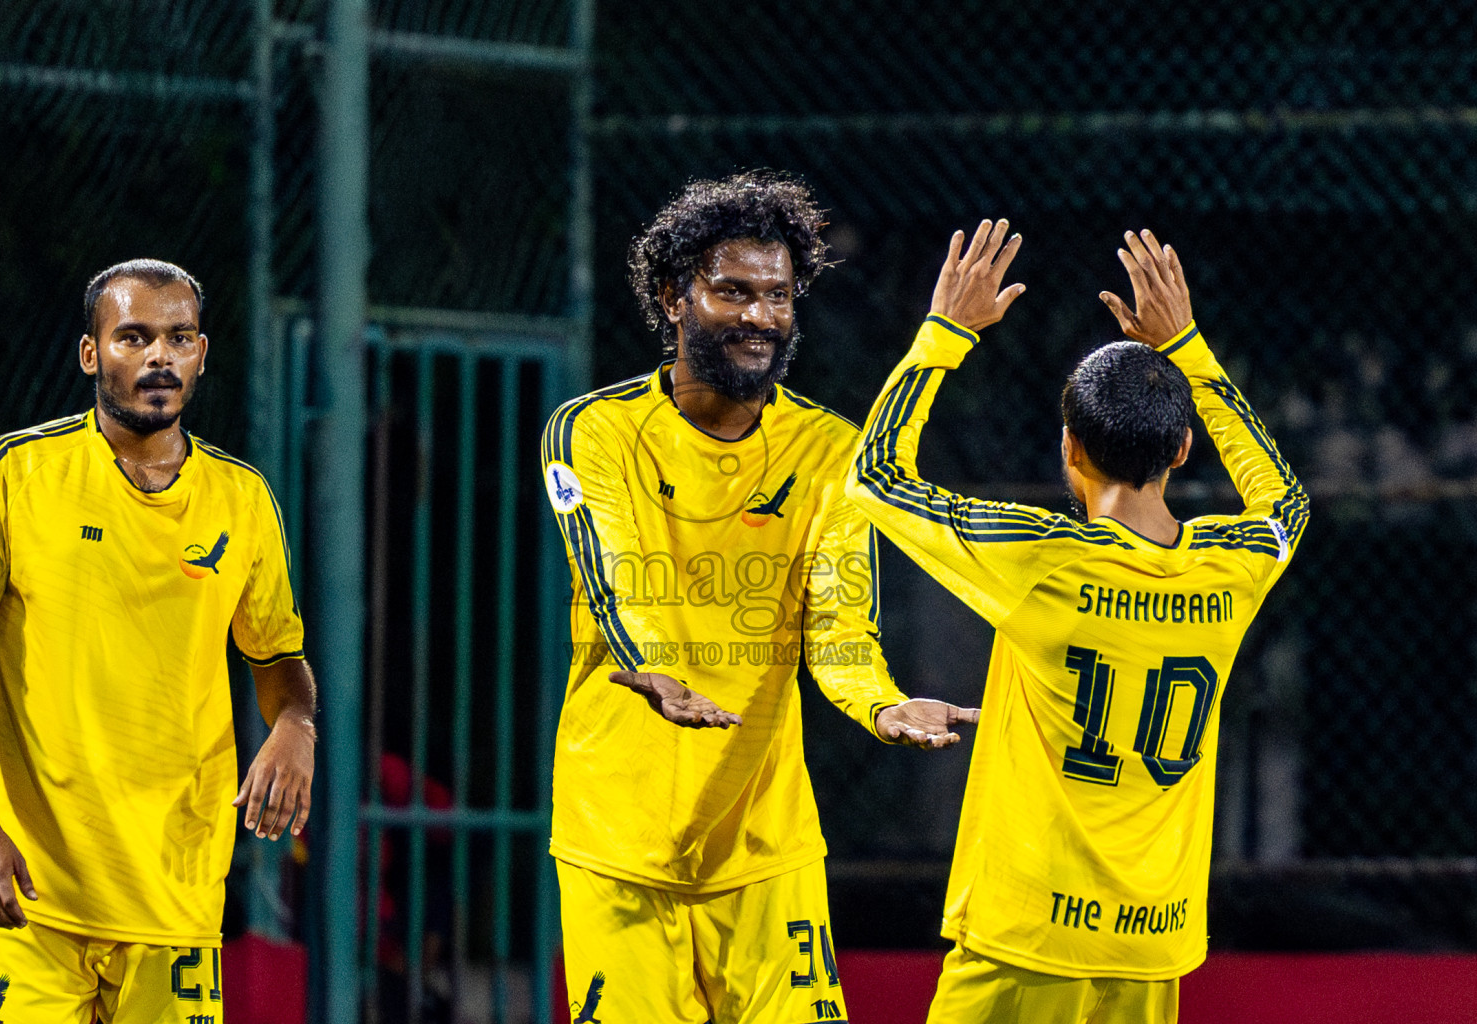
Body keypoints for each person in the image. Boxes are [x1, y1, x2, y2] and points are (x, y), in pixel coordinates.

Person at [540, 171, 979, 1024]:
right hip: (618, 835)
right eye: (733, 291)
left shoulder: (828, 450)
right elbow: (613, 572)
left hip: (765, 841)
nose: (760, 316)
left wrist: (879, 701)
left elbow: (839, 622)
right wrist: (652, 667)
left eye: (777, 295)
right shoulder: (593, 430)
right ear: (672, 298)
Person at [847, 222, 1307, 1023]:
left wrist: (943, 333)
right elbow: (1285, 500)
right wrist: (1189, 351)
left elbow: (875, 478)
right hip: (1151, 944)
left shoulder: (1044, 559)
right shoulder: (1233, 566)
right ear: (1183, 448)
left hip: (1028, 936)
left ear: (1070, 446)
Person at [0, 259, 316, 1023]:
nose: (159, 357)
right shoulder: (17, 473)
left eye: (179, 338)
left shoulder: (242, 499)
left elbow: (279, 659)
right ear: (91, 354)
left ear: (202, 353)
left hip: (176, 893)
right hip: (33, 893)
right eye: (134, 337)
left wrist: (295, 723)